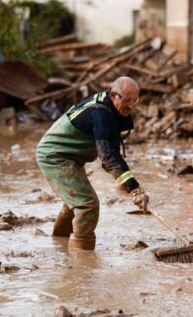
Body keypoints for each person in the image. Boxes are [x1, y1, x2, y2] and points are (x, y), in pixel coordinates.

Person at [36, 76, 149, 250]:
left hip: (71, 156)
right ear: (113, 95)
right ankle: (82, 262)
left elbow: (110, 154)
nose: (131, 106)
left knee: (74, 201)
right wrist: (133, 188)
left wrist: (125, 182)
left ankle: (59, 244)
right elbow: (108, 156)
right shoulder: (101, 113)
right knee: (87, 205)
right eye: (126, 100)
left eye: (135, 100)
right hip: (55, 156)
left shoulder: (113, 108)